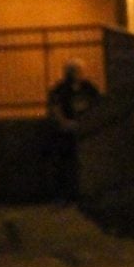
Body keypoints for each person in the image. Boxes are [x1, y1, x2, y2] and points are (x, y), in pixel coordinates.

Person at [45, 59, 100, 201]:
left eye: (77, 71)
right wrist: (65, 123)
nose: (76, 75)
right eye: (73, 71)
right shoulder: (60, 89)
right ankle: (65, 194)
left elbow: (98, 104)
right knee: (66, 163)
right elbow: (55, 107)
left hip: (85, 131)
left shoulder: (88, 88)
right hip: (67, 132)